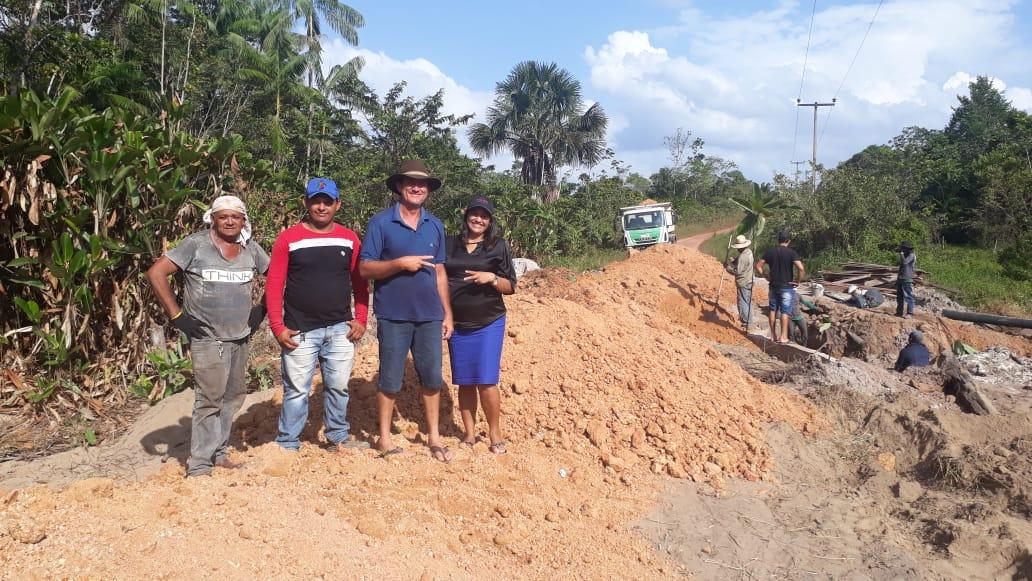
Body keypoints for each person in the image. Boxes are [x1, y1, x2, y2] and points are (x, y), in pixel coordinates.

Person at [146, 195, 270, 478]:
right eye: (223, 216)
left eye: (235, 217)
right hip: (207, 338)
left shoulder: (250, 248)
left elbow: (276, 275)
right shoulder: (196, 245)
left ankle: (219, 453)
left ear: (243, 221)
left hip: (240, 336)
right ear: (212, 219)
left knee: (233, 397)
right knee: (209, 399)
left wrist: (260, 310)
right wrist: (178, 316)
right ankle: (200, 464)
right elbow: (156, 273)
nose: (229, 221)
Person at [359, 159, 454, 463]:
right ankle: (385, 439)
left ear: (428, 190)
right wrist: (399, 264)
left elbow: (439, 272)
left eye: (422, 184)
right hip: (393, 314)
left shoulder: (435, 225)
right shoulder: (381, 223)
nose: (416, 187)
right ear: (399, 187)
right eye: (410, 182)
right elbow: (364, 268)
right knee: (389, 379)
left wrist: (447, 313)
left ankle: (434, 437)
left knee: (432, 378)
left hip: (429, 315)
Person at [266, 178, 369, 452]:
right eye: (315, 201)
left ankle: (337, 436)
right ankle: (287, 443)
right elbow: (274, 284)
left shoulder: (349, 238)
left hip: (339, 329)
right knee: (297, 390)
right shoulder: (289, 238)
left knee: (337, 387)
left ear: (338, 205)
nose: (321, 207)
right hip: (299, 330)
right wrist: (278, 327)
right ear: (306, 203)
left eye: (327, 202)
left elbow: (360, 282)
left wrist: (361, 318)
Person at [445, 196, 517, 454]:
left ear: (490, 221)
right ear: (466, 217)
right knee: (465, 380)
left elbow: (510, 287)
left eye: (484, 216)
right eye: (474, 214)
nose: (478, 219)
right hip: (458, 323)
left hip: (489, 321)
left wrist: (492, 278)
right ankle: (469, 434)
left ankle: (495, 434)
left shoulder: (498, 246)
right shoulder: (449, 244)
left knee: (486, 380)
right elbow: (439, 276)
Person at [755, 230, 806, 344]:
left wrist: (765, 276)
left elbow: (758, 266)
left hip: (773, 286)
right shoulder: (792, 253)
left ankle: (773, 335)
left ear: (778, 240)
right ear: (788, 241)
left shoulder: (770, 252)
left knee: (773, 310)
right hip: (786, 287)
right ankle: (783, 337)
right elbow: (801, 268)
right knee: (785, 312)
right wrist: (798, 281)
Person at [724, 235, 754, 329]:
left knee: (742, 303)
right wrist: (734, 261)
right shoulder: (749, 252)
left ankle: (746, 323)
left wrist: (728, 268)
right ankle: (750, 321)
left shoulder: (743, 257)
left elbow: (737, 271)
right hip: (749, 280)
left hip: (743, 282)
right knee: (748, 301)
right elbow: (742, 263)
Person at [896, 241, 917, 318]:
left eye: (904, 249)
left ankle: (910, 313)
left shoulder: (911, 255)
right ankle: (899, 312)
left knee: (908, 295)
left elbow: (905, 263)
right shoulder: (905, 255)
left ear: (908, 249)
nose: (902, 250)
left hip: (907, 278)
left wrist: (901, 255)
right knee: (899, 296)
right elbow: (901, 267)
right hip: (901, 277)